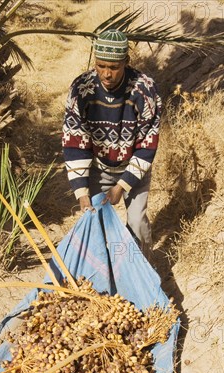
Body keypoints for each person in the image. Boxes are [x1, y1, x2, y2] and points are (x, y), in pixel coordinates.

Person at [62, 28, 162, 257]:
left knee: (137, 222)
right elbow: (74, 142)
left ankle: (143, 273)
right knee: (94, 224)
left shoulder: (145, 90)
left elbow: (147, 145)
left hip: (133, 168)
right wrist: (82, 192)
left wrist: (122, 186)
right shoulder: (81, 90)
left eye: (114, 68)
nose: (107, 74)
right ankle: (103, 281)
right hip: (99, 168)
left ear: (126, 62)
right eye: (101, 66)